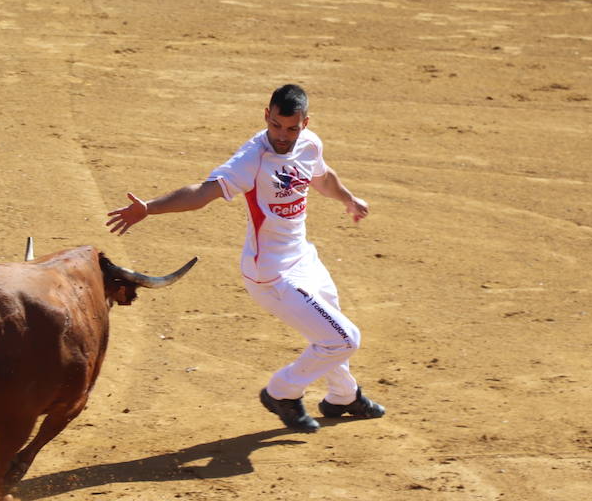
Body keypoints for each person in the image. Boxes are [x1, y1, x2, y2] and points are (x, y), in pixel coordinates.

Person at [106, 84, 385, 433]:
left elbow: (323, 177)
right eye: (276, 126)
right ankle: (281, 392)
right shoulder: (252, 159)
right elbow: (203, 193)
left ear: (305, 122)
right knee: (344, 339)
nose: (282, 136)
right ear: (266, 116)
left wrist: (347, 198)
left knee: (328, 329)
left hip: (304, 259)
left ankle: (343, 396)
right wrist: (150, 208)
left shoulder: (310, 143)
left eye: (292, 128)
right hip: (271, 274)